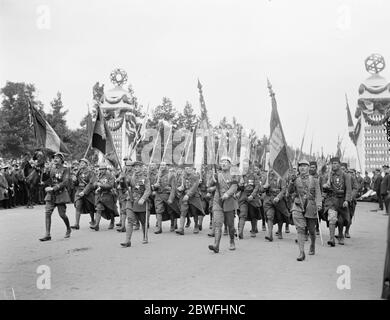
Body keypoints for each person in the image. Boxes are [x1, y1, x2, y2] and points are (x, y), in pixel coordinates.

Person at [289, 159, 322, 261]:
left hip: (310, 206)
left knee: (312, 230)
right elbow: (289, 192)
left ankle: (312, 244)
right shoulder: (296, 179)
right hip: (298, 205)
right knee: (300, 229)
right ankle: (301, 252)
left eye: (305, 166)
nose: (302, 168)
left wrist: (319, 203)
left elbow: (318, 194)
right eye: (300, 166)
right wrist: (291, 182)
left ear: (308, 168)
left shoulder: (314, 180)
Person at [208, 156, 238, 253]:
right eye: (222, 162)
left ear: (230, 164)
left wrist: (227, 194)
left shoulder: (233, 174)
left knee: (230, 224)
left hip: (228, 201)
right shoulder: (217, 174)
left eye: (225, 162)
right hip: (217, 200)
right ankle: (216, 245)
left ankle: (232, 241)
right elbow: (209, 185)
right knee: (217, 223)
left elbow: (234, 186)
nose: (223, 164)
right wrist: (212, 179)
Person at [39, 152, 72, 241]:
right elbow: (50, 180)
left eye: (57, 158)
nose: (55, 159)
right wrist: (45, 181)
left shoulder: (66, 169)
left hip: (60, 194)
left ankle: (68, 228)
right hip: (51, 195)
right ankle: (47, 234)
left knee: (62, 215)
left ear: (62, 160)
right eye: (54, 158)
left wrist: (53, 188)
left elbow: (65, 182)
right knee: (47, 213)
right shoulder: (52, 169)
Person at [322, 157, 352, 247]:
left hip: (342, 200)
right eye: (332, 164)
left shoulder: (345, 175)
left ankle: (341, 235)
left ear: (339, 164)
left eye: (336, 163)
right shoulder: (329, 175)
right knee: (332, 218)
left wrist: (347, 200)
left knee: (341, 220)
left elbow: (349, 189)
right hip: (332, 200)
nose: (334, 165)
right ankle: (331, 239)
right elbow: (324, 189)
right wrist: (325, 186)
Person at [120, 161, 151, 247]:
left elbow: (148, 190)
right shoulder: (131, 177)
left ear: (141, 167)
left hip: (141, 202)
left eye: (137, 167)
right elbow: (124, 185)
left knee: (143, 221)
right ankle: (127, 241)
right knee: (130, 220)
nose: (135, 168)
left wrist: (143, 198)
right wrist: (122, 179)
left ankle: (145, 236)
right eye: (134, 167)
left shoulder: (145, 178)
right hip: (131, 200)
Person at [176, 163, 205, 235]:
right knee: (183, 211)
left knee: (194, 211)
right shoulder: (182, 177)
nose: (188, 170)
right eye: (186, 168)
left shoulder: (195, 176)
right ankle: (181, 228)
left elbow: (195, 187)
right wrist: (179, 189)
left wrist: (188, 195)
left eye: (189, 168)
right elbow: (178, 185)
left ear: (192, 169)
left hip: (194, 196)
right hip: (184, 196)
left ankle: (196, 225)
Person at [262, 168, 289, 242]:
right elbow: (260, 189)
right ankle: (269, 234)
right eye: (270, 168)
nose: (271, 170)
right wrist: (264, 187)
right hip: (269, 200)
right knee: (269, 216)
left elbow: (283, 190)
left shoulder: (282, 177)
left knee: (280, 217)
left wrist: (278, 197)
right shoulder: (266, 177)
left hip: (278, 201)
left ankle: (280, 231)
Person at [152, 162, 180, 234]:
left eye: (164, 165)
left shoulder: (171, 175)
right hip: (158, 195)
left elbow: (173, 188)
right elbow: (153, 187)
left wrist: (171, 198)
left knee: (171, 211)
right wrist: (155, 186)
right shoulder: (157, 175)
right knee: (158, 211)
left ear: (166, 166)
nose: (162, 166)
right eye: (161, 165)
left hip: (167, 195)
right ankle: (159, 228)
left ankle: (172, 224)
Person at [90, 163, 119, 231]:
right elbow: (93, 185)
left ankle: (112, 221)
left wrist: (101, 185)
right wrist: (95, 184)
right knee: (98, 208)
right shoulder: (98, 176)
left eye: (103, 169)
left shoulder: (110, 176)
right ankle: (96, 225)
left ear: (106, 169)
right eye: (100, 169)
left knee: (110, 210)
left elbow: (111, 185)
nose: (101, 170)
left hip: (108, 195)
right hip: (100, 195)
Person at [70, 158, 96, 230]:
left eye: (83, 163)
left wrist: (84, 192)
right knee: (78, 205)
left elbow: (91, 183)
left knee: (90, 207)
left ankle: (93, 220)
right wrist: (74, 180)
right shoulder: (79, 171)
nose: (81, 164)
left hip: (88, 191)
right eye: (80, 163)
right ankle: (76, 224)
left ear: (86, 164)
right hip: (79, 190)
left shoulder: (91, 172)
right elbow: (76, 183)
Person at [237, 166, 261, 239]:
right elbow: (237, 188)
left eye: (246, 167)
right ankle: (240, 232)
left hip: (252, 198)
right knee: (242, 214)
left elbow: (257, 187)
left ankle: (253, 230)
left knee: (253, 214)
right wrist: (239, 184)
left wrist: (252, 195)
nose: (244, 168)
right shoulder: (241, 177)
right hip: (243, 197)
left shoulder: (254, 176)